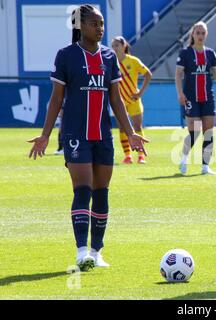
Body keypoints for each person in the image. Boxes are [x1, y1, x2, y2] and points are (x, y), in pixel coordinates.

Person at [28, 5, 148, 271]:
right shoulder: (66, 56)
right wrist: (45, 135)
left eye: (102, 23)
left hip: (103, 136)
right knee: (82, 190)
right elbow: (56, 99)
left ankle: (97, 251)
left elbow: (116, 99)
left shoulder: (109, 57)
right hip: (75, 135)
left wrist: (131, 133)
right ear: (81, 26)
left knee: (102, 193)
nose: (101, 28)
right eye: (95, 23)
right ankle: (82, 251)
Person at [175, 21, 216, 175]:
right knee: (195, 131)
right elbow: (178, 74)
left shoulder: (210, 53)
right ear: (193, 34)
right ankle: (184, 159)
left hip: (207, 98)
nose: (200, 35)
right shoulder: (185, 53)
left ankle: (205, 166)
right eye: (197, 32)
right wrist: (180, 93)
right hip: (191, 98)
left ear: (206, 35)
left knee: (209, 132)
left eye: (203, 33)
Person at [111, 36, 152, 164]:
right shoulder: (111, 62)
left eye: (117, 45)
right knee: (122, 128)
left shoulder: (133, 61)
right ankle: (127, 156)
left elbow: (148, 74)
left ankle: (141, 156)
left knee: (137, 126)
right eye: (113, 46)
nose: (114, 48)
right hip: (119, 101)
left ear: (124, 46)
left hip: (133, 99)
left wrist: (140, 92)